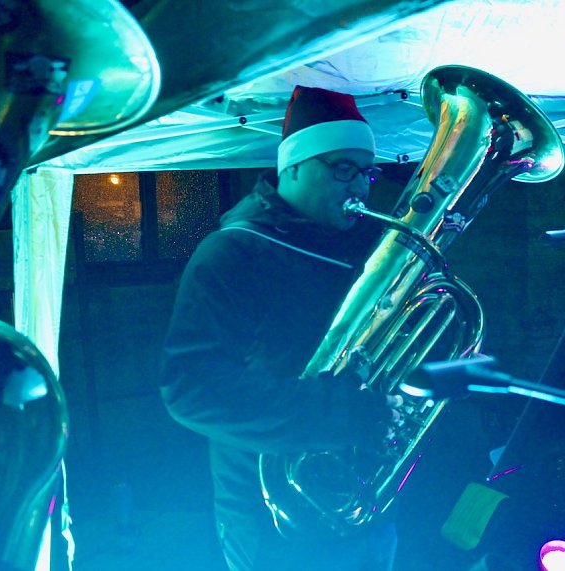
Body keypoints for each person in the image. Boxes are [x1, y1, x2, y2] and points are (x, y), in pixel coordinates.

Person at [159, 86, 400, 571]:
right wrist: (340, 411)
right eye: (344, 168)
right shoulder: (232, 253)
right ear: (293, 166)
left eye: (367, 172)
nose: (360, 187)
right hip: (274, 522)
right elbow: (192, 389)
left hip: (365, 505)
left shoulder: (364, 248)